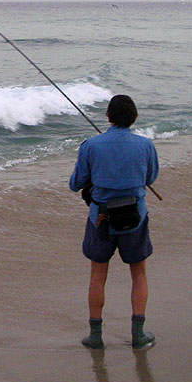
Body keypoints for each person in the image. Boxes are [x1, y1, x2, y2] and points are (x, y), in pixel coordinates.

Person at [69, 95, 159, 350]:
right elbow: (150, 176)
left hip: (101, 218)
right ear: (135, 118)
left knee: (98, 275)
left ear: (108, 117)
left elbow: (75, 183)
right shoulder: (146, 145)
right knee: (139, 274)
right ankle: (138, 336)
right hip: (135, 219)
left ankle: (95, 336)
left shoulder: (91, 145)